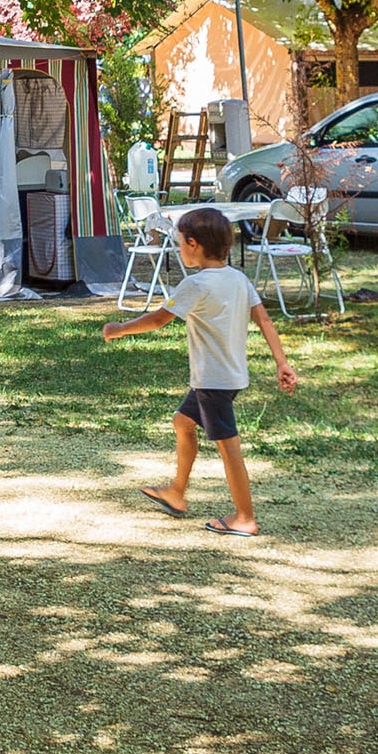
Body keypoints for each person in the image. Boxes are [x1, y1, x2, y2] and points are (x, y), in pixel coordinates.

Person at [102, 205, 299, 537]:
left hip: (213, 381)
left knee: (228, 447)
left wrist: (119, 328)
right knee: (183, 423)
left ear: (193, 244)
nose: (180, 248)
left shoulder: (196, 285)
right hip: (228, 377)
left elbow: (157, 319)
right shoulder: (239, 279)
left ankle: (245, 517)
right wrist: (282, 362)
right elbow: (264, 319)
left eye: (180, 242)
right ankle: (176, 493)